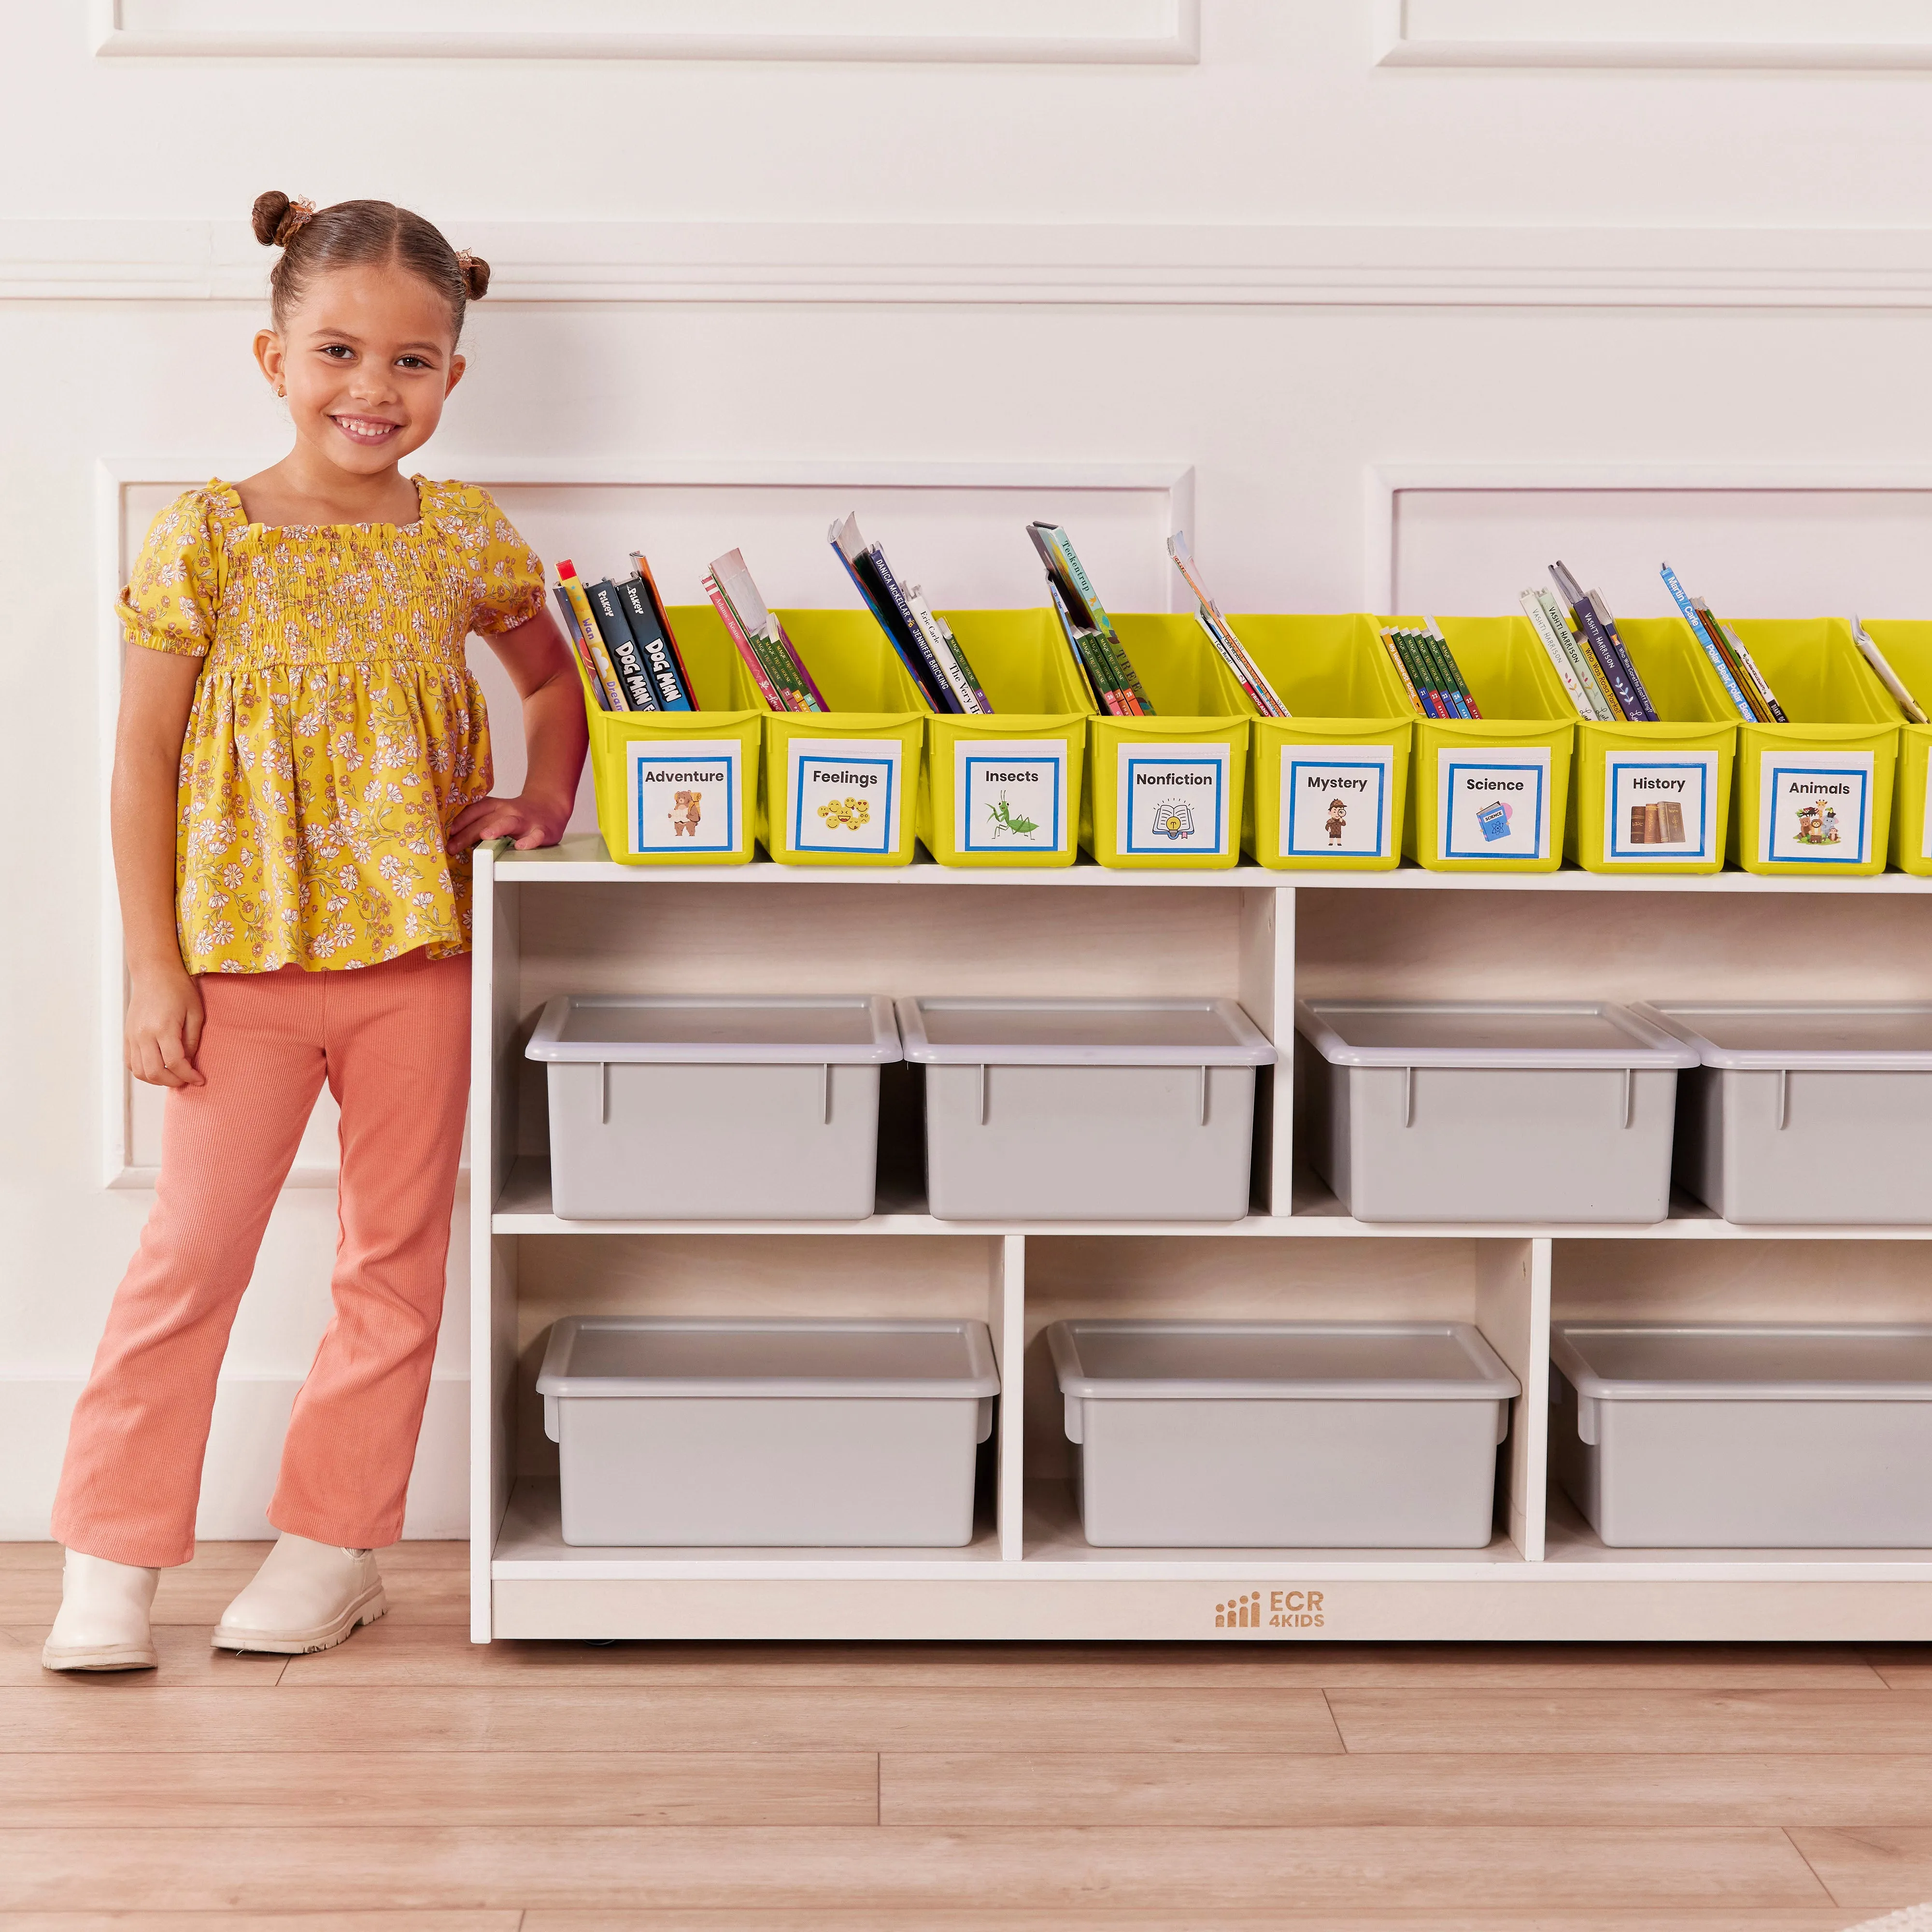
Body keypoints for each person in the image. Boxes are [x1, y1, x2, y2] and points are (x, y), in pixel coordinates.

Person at [43, 193, 587, 1669]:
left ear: (454, 380)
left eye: (412, 364)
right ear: (273, 353)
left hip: (419, 965)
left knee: (392, 1261)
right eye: (339, 352)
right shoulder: (207, 536)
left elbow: (553, 683)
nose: (372, 390)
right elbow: (142, 759)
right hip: (243, 969)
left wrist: (543, 798)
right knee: (189, 1261)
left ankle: (332, 1544)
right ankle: (110, 1557)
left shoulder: (461, 533)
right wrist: (157, 968)